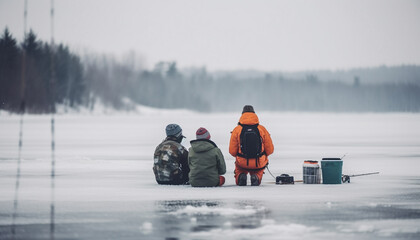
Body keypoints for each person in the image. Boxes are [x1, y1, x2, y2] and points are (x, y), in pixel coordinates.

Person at [229, 105, 274, 186]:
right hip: (258, 162)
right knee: (258, 170)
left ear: (242, 114)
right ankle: (256, 176)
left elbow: (232, 151)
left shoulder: (237, 130)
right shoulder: (262, 129)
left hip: (242, 162)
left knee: (239, 168)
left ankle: (240, 176)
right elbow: (270, 150)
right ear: (254, 114)